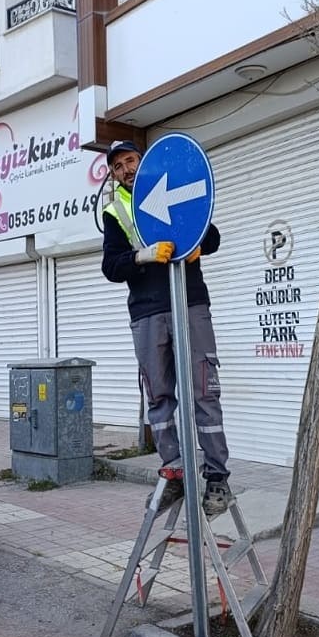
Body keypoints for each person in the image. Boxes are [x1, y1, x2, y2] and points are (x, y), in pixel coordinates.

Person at [100, 140, 234, 517]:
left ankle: (217, 479)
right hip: (147, 311)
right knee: (158, 396)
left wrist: (198, 247)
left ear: (142, 162)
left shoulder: (174, 188)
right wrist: (141, 256)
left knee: (203, 391)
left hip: (190, 302)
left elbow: (213, 236)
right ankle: (173, 471)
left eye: (130, 160)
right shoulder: (116, 212)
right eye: (117, 166)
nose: (125, 169)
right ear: (113, 174)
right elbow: (111, 266)